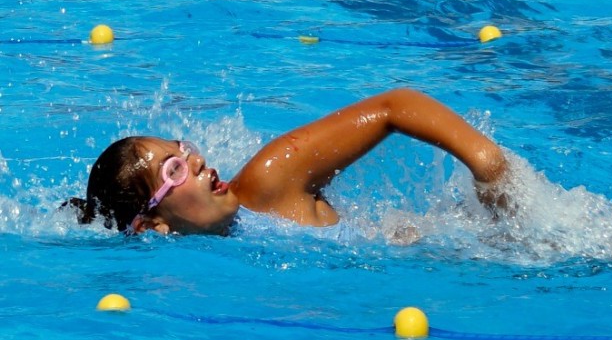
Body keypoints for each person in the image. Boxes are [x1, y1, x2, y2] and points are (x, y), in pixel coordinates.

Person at [71, 88, 509, 235]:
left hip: (493, 242)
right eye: (176, 169)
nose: (198, 160)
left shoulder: (266, 183)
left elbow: (395, 106)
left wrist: (488, 167)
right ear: (151, 225)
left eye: (183, 149)